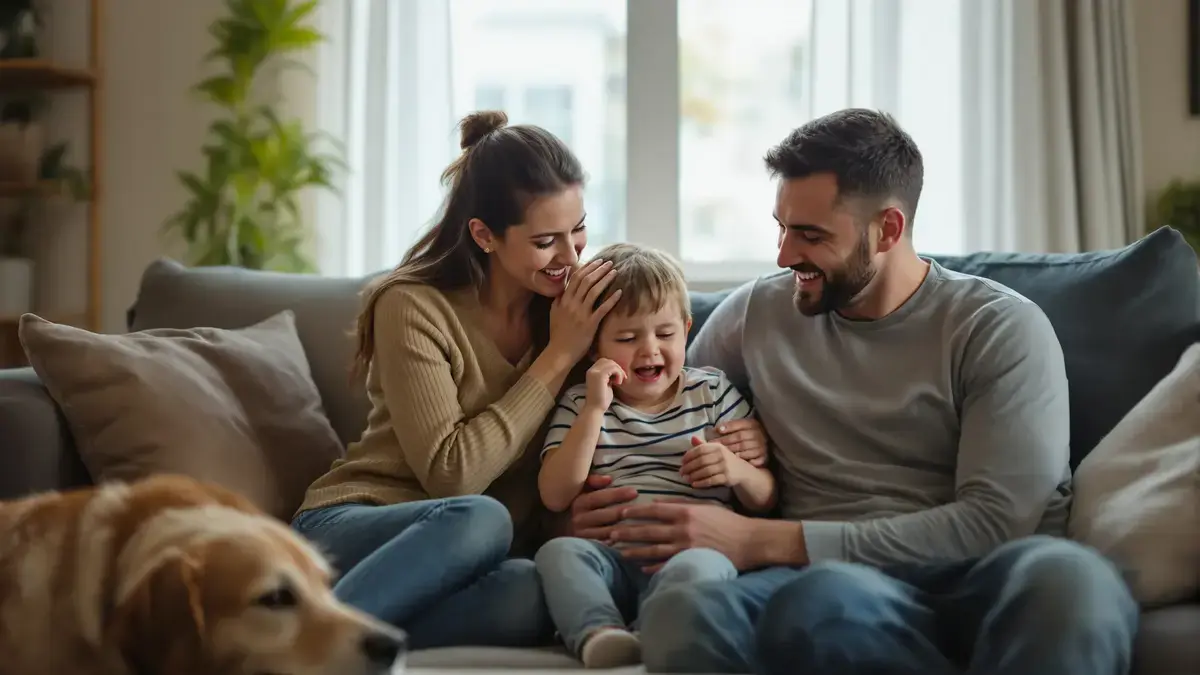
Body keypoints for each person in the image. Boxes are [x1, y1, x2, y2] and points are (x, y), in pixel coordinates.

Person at [565, 109, 1139, 675]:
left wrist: (764, 539)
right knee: (698, 607)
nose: (785, 255)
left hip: (979, 578)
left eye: (810, 235)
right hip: (819, 592)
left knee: (1075, 583)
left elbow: (994, 523)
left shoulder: (997, 327)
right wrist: (581, 519)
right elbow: (658, 409)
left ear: (887, 229)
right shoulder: (757, 314)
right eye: (782, 227)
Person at [290, 110, 627, 650]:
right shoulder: (412, 306)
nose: (571, 256)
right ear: (484, 235)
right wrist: (559, 356)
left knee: (533, 591)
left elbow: (656, 379)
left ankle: (344, 625)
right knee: (483, 518)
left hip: (477, 553)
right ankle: (310, 646)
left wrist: (737, 428)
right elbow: (454, 478)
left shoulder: (574, 310)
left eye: (579, 228)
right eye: (546, 241)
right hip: (355, 526)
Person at [534, 243, 777, 668]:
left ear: (686, 329)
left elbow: (766, 496)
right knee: (559, 554)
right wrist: (594, 409)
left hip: (690, 552)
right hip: (609, 559)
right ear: (595, 347)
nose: (649, 350)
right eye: (627, 338)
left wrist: (737, 471)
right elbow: (555, 496)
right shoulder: (582, 401)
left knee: (705, 566)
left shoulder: (712, 392)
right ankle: (598, 632)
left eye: (665, 334)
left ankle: (658, 628)